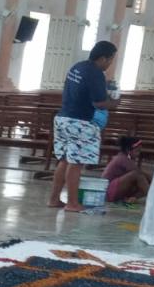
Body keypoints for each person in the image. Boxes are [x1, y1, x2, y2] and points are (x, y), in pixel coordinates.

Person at [49, 41, 117, 212]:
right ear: (103, 58)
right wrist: (115, 102)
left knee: (64, 160)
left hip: (63, 118)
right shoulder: (95, 73)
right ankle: (72, 203)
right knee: (76, 163)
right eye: (110, 60)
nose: (110, 64)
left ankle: (54, 199)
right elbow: (99, 103)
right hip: (79, 122)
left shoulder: (77, 67)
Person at [102, 135, 151, 204]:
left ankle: (131, 199)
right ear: (128, 150)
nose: (138, 154)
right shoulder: (122, 158)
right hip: (108, 191)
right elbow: (139, 173)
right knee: (137, 175)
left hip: (115, 189)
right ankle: (153, 197)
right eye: (137, 151)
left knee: (143, 180)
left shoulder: (127, 158)